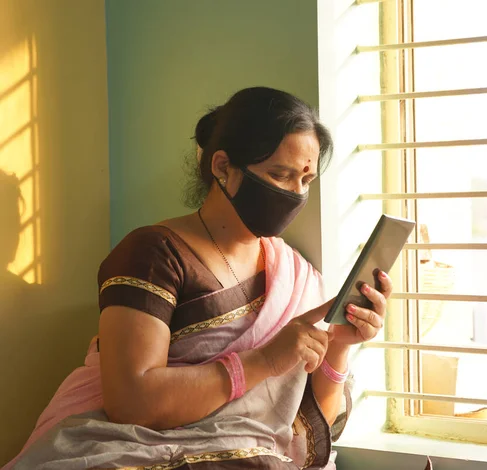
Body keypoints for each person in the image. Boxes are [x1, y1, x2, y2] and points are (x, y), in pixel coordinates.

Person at [4, 87, 392, 470]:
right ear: (222, 166)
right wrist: (265, 361)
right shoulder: (153, 253)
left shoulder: (293, 275)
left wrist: (339, 344)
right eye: (280, 175)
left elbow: (311, 430)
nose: (295, 193)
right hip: (129, 449)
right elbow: (130, 402)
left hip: (252, 458)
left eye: (305, 180)